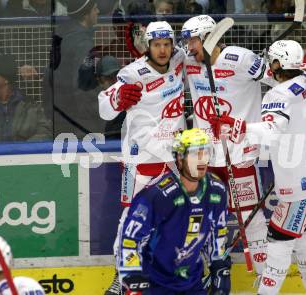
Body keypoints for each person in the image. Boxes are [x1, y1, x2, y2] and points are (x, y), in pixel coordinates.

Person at [210, 40, 306, 295]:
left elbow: (271, 132)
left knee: (278, 240)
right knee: (305, 236)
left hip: (298, 184)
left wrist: (237, 127)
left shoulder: (278, 96)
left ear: (276, 64)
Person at [181, 14, 276, 277]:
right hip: (206, 157)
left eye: (193, 41)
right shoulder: (189, 61)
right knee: (203, 215)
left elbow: (279, 79)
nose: (189, 48)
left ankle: (264, 277)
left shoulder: (240, 59)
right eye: (187, 42)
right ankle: (207, 272)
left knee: (250, 216)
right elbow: (161, 65)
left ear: (211, 37)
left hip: (240, 153)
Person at [98, 21, 186, 295]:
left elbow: (199, 50)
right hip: (140, 163)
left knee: (176, 221)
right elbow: (104, 107)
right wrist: (118, 99)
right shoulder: (132, 74)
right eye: (157, 45)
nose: (162, 50)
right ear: (148, 46)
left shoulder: (179, 59)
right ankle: (121, 276)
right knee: (131, 222)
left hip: (173, 161)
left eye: (166, 44)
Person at [118, 128, 231, 294]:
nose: (201, 160)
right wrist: (132, 274)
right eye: (194, 154)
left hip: (192, 283)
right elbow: (130, 238)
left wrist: (220, 268)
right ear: (179, 158)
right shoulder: (157, 195)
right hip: (154, 284)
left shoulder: (217, 190)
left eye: (205, 153)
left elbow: (218, 234)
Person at [43, 0, 104, 138]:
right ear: (85, 14)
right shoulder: (83, 45)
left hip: (59, 116)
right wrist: (99, 116)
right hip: (80, 123)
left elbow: (48, 76)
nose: (98, 12)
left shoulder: (60, 36)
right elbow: (84, 86)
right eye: (94, 8)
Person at [0, 54, 51, 142]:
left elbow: (45, 132)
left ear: (6, 79)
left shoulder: (30, 106)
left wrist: (23, 149)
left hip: (25, 155)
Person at [95, 55, 125, 139]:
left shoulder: (130, 102)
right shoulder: (91, 107)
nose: (115, 81)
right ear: (100, 81)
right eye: (109, 77)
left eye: (117, 75)